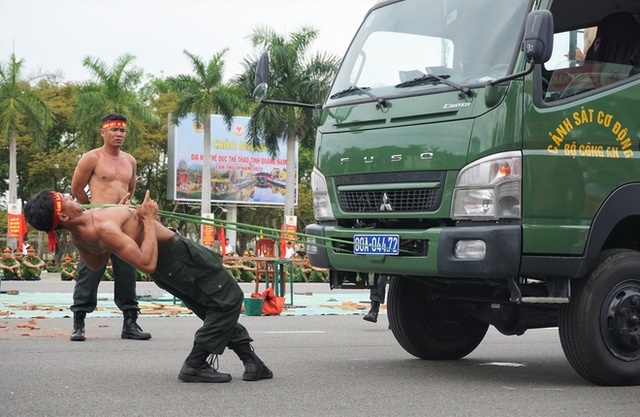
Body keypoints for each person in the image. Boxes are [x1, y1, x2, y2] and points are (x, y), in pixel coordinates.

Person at [24, 189, 273, 383]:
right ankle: (195, 364)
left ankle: (251, 362)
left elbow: (96, 261)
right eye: (63, 198)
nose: (69, 195)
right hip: (177, 258)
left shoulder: (80, 234)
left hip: (173, 265)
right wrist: (147, 220)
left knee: (213, 307)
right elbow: (147, 263)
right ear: (64, 216)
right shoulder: (101, 228)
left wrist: (124, 219)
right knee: (229, 300)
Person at [69, 113, 150, 342]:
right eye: (114, 130)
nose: (119, 134)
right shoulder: (91, 158)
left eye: (122, 131)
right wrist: (92, 211)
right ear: (103, 132)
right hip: (99, 222)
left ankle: (130, 323)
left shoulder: (130, 161)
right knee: (90, 270)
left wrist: (122, 209)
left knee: (127, 270)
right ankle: (79, 322)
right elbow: (77, 188)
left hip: (123, 223)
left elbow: (130, 190)